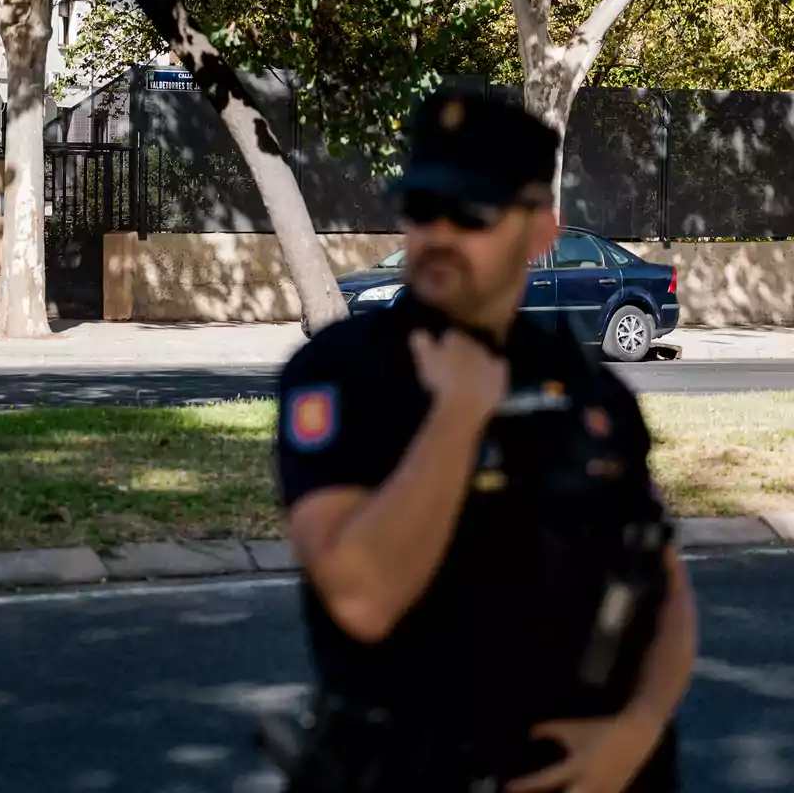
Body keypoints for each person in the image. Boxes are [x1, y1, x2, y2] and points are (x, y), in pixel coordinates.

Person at [272, 91, 699, 792]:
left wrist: (639, 726)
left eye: (469, 213)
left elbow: (665, 587)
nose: (438, 234)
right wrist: (458, 416)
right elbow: (363, 597)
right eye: (420, 209)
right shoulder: (340, 376)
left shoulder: (593, 394)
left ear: (539, 231)